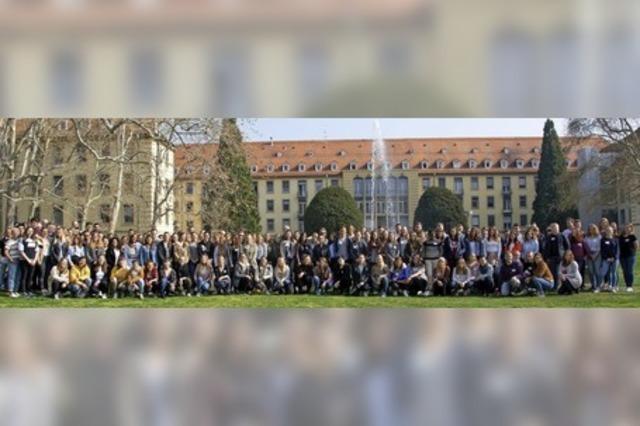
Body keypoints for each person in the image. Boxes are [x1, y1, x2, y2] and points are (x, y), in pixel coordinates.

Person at [619, 224, 638, 293]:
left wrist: (633, 252)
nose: (626, 229)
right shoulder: (620, 237)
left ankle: (630, 286)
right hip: (622, 257)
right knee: (624, 271)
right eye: (625, 227)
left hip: (630, 256)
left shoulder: (632, 236)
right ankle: (627, 285)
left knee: (629, 271)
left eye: (628, 228)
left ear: (631, 228)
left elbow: (636, 246)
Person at [599, 227, 619, 293]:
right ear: (606, 231)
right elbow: (602, 250)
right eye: (607, 230)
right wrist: (606, 258)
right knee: (604, 273)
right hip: (606, 259)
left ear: (612, 231)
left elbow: (617, 250)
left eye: (610, 230)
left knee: (613, 273)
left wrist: (614, 257)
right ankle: (604, 286)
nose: (609, 231)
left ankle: (613, 287)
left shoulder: (615, 240)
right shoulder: (603, 240)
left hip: (614, 259)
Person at [584, 224, 602, 291]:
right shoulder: (586, 237)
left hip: (597, 255)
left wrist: (595, 255)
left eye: (593, 228)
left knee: (597, 271)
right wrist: (590, 255)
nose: (591, 230)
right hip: (589, 255)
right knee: (591, 271)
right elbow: (585, 246)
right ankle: (593, 285)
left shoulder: (599, 237)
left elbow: (600, 247)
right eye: (590, 228)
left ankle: (598, 285)